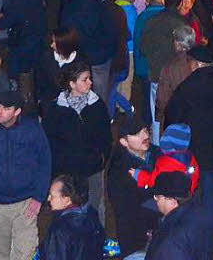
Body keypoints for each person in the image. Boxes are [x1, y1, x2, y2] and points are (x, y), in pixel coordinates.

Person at [163, 44, 213, 258]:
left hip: (193, 146)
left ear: (195, 63)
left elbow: (172, 115)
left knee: (193, 183)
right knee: (211, 181)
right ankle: (209, 220)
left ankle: (192, 222)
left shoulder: (187, 87)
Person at [0, 90, 51, 260]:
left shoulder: (32, 129)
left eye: (5, 108)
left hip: (26, 203)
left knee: (26, 253)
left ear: (17, 111)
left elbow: (45, 162)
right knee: (0, 255)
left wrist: (39, 196)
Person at [42, 61, 111, 222]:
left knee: (95, 205)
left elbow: (106, 137)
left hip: (92, 168)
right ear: (72, 84)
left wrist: (101, 158)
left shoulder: (97, 106)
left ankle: (96, 238)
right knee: (66, 209)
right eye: (85, 79)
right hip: (66, 171)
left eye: (89, 78)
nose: (90, 82)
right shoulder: (55, 110)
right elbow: (49, 141)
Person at [141, 0, 197, 142]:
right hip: (179, 75)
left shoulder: (151, 21)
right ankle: (180, 142)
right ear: (180, 4)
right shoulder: (182, 23)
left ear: (164, 1)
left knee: (157, 111)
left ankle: (158, 143)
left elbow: (143, 48)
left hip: (156, 73)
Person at [0, 0, 48, 108]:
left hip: (24, 31)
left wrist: (2, 23)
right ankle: (30, 97)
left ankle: (20, 99)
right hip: (36, 26)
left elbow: (17, 9)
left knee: (18, 63)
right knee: (32, 63)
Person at [106, 117, 160, 256]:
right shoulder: (119, 170)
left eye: (145, 130)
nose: (145, 136)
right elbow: (124, 208)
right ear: (124, 142)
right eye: (137, 134)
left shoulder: (158, 155)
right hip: (136, 235)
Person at [61, 0, 119, 106]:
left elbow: (66, 31)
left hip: (80, 58)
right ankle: (100, 116)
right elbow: (111, 34)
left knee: (80, 89)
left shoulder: (71, 9)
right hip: (100, 59)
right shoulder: (103, 10)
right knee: (100, 92)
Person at [138, 171, 208, 260]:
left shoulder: (171, 241)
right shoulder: (197, 211)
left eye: (157, 196)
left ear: (172, 201)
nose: (155, 200)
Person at [39, 174, 105, 260]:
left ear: (66, 199)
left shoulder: (59, 229)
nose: (48, 199)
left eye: (52, 196)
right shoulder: (91, 217)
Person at [134, 0, 167, 135]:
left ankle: (147, 132)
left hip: (143, 67)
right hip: (158, 67)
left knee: (147, 102)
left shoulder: (142, 16)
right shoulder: (165, 17)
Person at [154, 23, 198, 129]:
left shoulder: (170, 68)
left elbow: (162, 98)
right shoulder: (200, 62)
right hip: (198, 118)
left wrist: (159, 117)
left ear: (178, 44)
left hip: (177, 119)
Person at [35, 27, 85, 114]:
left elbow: (83, 88)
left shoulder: (80, 62)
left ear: (64, 45)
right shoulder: (46, 57)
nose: (51, 45)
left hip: (71, 107)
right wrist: (40, 100)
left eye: (55, 42)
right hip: (49, 104)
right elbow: (39, 80)